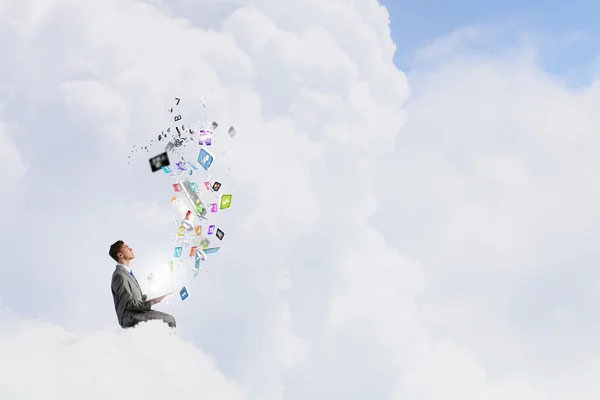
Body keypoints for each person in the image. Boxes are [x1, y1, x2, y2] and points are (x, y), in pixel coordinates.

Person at [108, 240, 176, 328]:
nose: (131, 249)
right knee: (169, 320)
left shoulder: (127, 273)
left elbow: (136, 298)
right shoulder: (119, 275)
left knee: (170, 319)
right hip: (130, 317)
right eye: (126, 248)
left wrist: (156, 296)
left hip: (138, 313)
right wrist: (151, 302)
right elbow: (129, 303)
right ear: (120, 255)